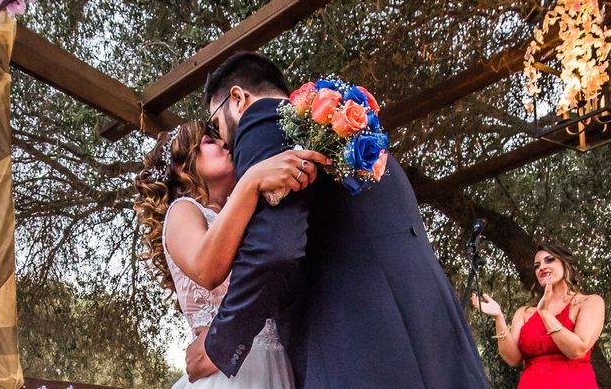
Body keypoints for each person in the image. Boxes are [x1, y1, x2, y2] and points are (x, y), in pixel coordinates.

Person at [185, 51, 488, 388]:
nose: (223, 140)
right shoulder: (364, 139)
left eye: (214, 125)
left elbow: (275, 246)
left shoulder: (261, 122)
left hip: (355, 348)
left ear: (238, 99)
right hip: (439, 341)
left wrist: (221, 342)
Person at [134, 120, 329, 388]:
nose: (225, 143)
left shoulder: (251, 219)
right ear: (182, 166)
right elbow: (207, 269)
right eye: (209, 141)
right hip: (227, 373)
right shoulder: (183, 210)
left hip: (276, 367)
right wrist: (251, 181)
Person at [471, 243, 605, 388]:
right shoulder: (524, 312)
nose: (542, 267)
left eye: (549, 260)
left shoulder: (590, 302)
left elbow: (577, 350)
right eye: (537, 265)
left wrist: (545, 314)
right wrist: (499, 318)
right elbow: (512, 359)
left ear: (565, 264)